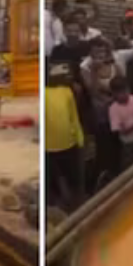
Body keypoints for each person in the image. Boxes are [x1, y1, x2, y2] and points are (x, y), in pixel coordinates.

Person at [45, 62, 86, 212]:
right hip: (49, 147)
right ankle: (61, 206)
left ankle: (76, 205)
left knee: (72, 177)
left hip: (69, 143)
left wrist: (80, 138)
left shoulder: (66, 92)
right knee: (55, 179)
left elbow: (74, 117)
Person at [83, 38, 124, 182]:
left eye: (102, 51)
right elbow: (93, 91)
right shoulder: (86, 68)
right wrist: (94, 71)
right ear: (91, 53)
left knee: (118, 143)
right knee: (104, 146)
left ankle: (119, 173)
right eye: (96, 51)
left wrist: (113, 96)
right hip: (101, 114)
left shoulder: (115, 65)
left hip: (117, 110)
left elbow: (122, 85)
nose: (100, 54)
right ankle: (104, 177)